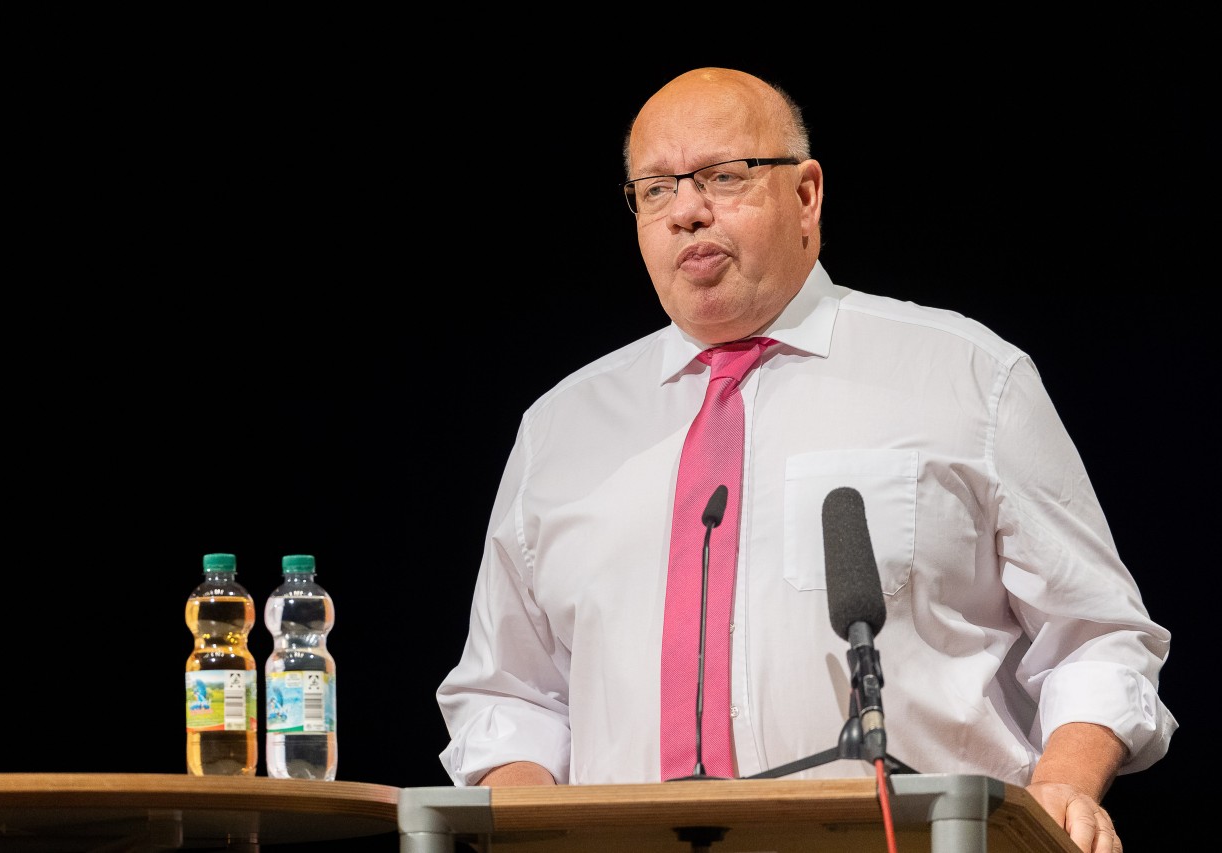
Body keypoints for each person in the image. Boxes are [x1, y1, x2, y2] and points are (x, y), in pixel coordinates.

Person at [435, 67, 1176, 853]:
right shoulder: (561, 428)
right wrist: (528, 823)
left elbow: (1096, 634)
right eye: (654, 190)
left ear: (807, 195)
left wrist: (1062, 782)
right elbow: (508, 690)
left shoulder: (966, 377)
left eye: (723, 176)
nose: (687, 210)